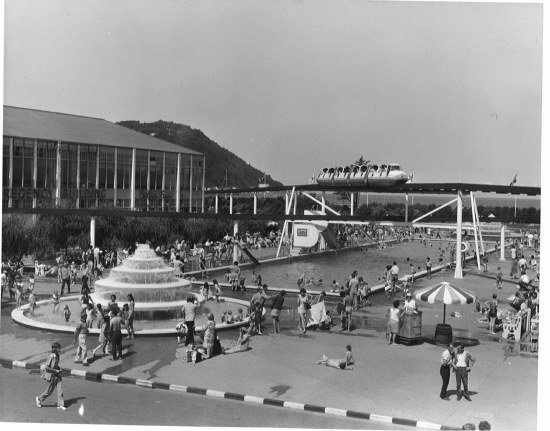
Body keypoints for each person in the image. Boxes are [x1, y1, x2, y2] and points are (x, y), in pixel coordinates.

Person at [36, 342, 66, 410]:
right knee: (49, 391)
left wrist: (58, 368)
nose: (60, 349)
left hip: (57, 376)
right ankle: (39, 399)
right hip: (52, 375)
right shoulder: (51, 356)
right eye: (59, 348)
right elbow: (47, 367)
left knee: (60, 390)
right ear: (55, 348)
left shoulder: (57, 356)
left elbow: (55, 365)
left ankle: (60, 405)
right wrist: (56, 371)